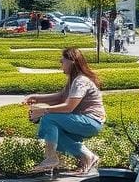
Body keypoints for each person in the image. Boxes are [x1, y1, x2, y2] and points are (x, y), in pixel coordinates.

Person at [23, 47, 105, 175]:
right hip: (84, 120)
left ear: (72, 62)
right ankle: (88, 156)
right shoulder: (73, 80)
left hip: (91, 121)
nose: (61, 63)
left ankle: (51, 158)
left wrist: (43, 111)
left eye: (63, 61)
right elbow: (60, 97)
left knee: (48, 119)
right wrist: (36, 98)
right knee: (56, 133)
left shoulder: (81, 81)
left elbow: (69, 107)